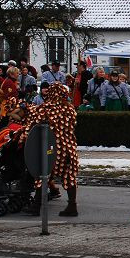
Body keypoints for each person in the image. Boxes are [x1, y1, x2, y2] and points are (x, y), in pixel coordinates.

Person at [23, 84, 80, 217]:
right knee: (69, 177)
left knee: (43, 174)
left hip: (52, 148)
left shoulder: (45, 108)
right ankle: (72, 205)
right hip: (69, 148)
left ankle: (36, 206)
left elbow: (33, 125)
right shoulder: (70, 109)